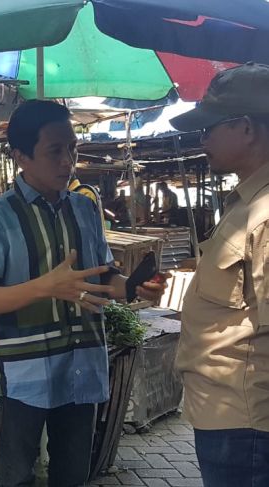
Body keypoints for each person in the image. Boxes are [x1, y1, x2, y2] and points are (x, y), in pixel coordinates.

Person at [0, 100, 167, 487]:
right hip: (26, 372)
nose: (67, 162)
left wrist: (130, 286)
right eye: (54, 151)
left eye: (72, 149)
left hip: (81, 363)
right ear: (21, 156)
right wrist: (45, 287)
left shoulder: (85, 210)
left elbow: (101, 276)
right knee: (17, 474)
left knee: (73, 473)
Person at [169, 62, 269, 487]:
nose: (202, 138)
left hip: (247, 424)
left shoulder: (264, 214)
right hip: (228, 417)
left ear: (247, 128)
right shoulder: (245, 202)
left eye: (211, 127)